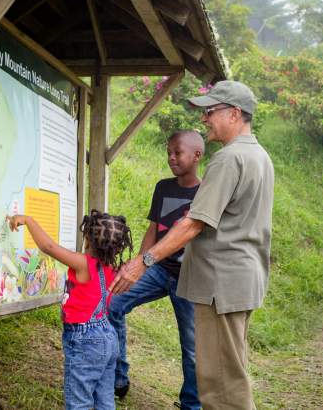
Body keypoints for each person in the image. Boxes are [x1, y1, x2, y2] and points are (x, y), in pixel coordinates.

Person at [111, 80, 274, 410]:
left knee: (221, 386)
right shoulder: (260, 156)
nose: (205, 119)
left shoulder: (229, 159)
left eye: (211, 111)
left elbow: (194, 222)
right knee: (230, 373)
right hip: (243, 280)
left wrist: (145, 260)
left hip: (220, 283)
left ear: (234, 114)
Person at [109, 130, 205, 410]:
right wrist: (138, 263)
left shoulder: (206, 192)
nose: (171, 157)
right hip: (158, 269)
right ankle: (118, 378)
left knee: (191, 347)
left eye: (178, 152)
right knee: (112, 302)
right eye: (169, 153)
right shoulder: (163, 187)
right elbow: (154, 228)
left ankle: (191, 404)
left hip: (190, 279)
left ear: (197, 155)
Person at [6, 210, 133, 410]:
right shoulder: (111, 268)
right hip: (108, 336)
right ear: (117, 248)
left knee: (79, 401)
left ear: (88, 240)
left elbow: (48, 247)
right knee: (105, 398)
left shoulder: (84, 264)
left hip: (87, 340)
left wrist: (29, 220)